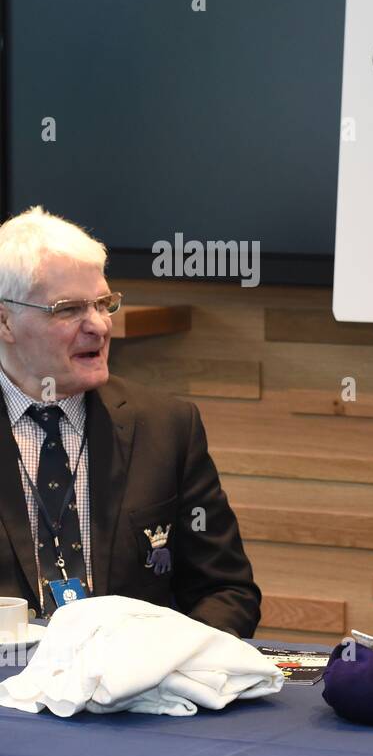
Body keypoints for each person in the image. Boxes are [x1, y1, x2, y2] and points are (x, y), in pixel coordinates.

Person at [0, 206, 260, 637]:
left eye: (104, 304)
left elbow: (226, 591)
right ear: (6, 321)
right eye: (69, 310)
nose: (100, 326)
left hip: (135, 693)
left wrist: (171, 666)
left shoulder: (166, 427)